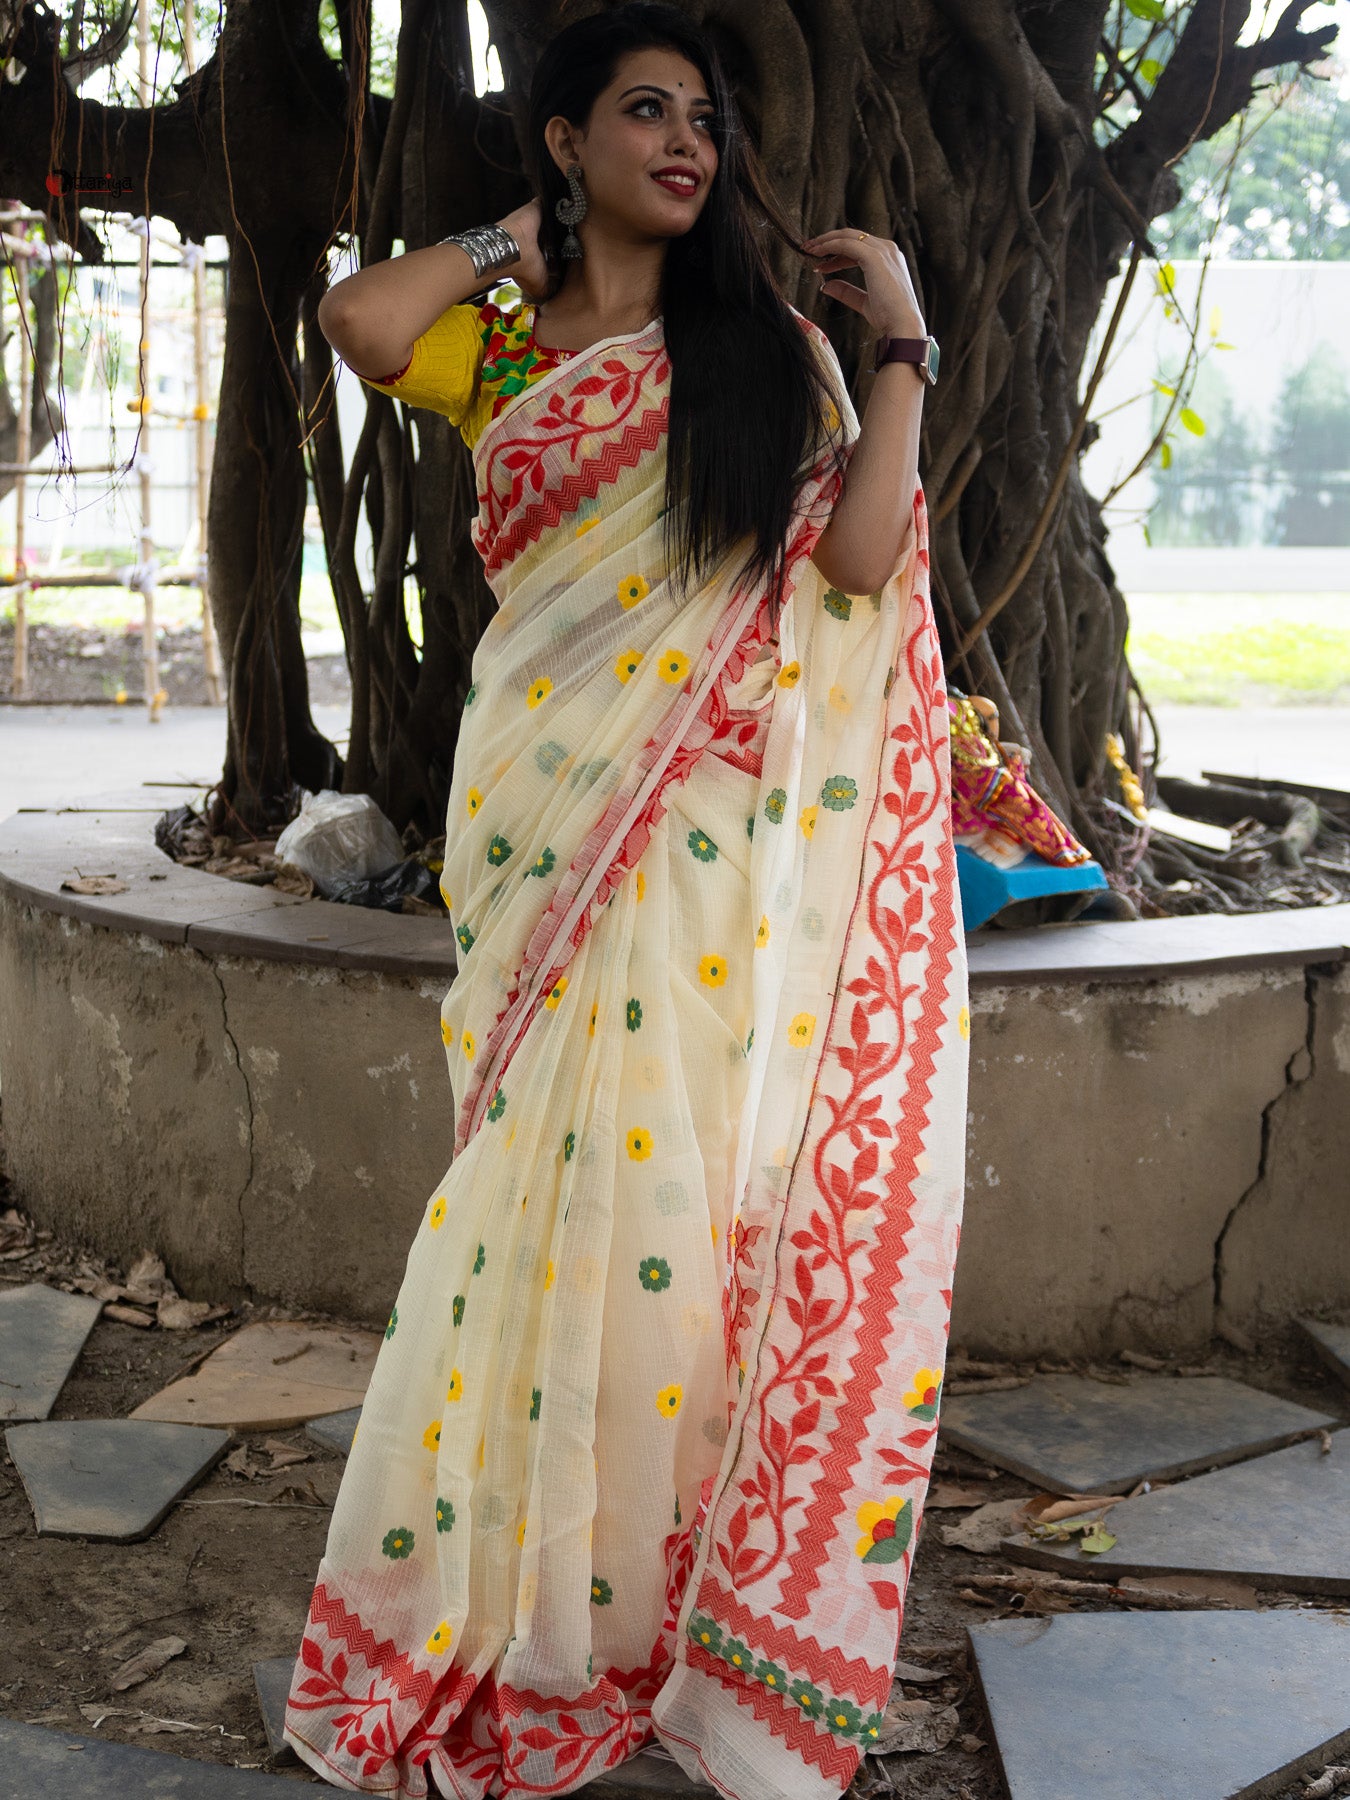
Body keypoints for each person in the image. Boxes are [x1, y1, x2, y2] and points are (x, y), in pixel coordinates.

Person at [283, 6, 969, 1797]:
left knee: (659, 1204)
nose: (687, 141)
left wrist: (897, 339)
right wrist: (519, 235)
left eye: (705, 118)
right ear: (566, 139)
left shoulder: (768, 357)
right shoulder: (498, 350)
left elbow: (857, 562)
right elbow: (359, 321)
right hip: (538, 822)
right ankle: (500, 1592)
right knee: (524, 1197)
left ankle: (637, 1611)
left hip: (696, 852)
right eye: (642, 113)